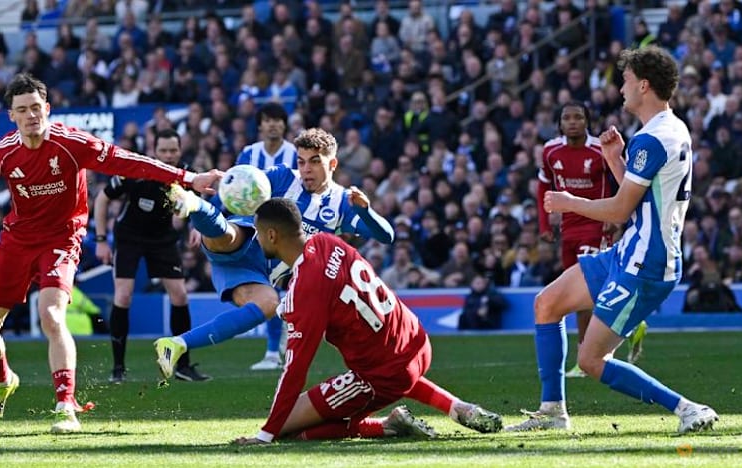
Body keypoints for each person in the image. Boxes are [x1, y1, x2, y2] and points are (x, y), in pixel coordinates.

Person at [0, 73, 221, 434]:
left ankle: (64, 406)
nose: (30, 115)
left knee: (51, 315)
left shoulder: (73, 143)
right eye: (22, 110)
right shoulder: (1, 153)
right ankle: (4, 380)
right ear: (12, 115)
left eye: (36, 107)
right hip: (17, 242)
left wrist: (189, 178)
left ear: (47, 109)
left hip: (61, 238)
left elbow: (130, 162)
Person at [506, 46, 718, 434]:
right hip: (630, 251)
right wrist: (615, 160)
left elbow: (620, 211)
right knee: (547, 304)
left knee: (591, 360)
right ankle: (552, 412)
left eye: (625, 80)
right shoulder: (670, 129)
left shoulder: (652, 139)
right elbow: (641, 200)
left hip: (646, 263)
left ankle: (687, 408)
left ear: (643, 85)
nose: (620, 88)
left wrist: (569, 202)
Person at [229, 198, 502, 444]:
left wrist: (266, 435)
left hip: (383, 374)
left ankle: (386, 426)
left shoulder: (307, 290)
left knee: (286, 427)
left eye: (258, 234)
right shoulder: (328, 242)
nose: (257, 241)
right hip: (416, 343)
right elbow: (327, 287)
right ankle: (457, 407)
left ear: (272, 235)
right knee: (394, 368)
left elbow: (296, 369)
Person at [154, 128, 394, 378]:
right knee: (231, 235)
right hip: (245, 239)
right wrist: (204, 215)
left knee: (269, 304)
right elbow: (241, 187)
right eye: (301, 162)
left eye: (314, 162)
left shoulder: (342, 203)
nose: (306, 169)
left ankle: (176, 344)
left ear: (332, 164)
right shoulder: (283, 177)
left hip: (255, 274)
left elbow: (386, 235)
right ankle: (195, 205)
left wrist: (365, 211)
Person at [537, 101, 649, 378]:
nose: (572, 122)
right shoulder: (550, 151)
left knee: (586, 293)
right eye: (567, 118)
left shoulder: (599, 150)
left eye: (578, 117)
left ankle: (585, 356)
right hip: (568, 228)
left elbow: (620, 183)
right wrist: (544, 223)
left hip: (596, 225)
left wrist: (616, 216)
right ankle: (630, 322)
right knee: (583, 291)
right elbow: (544, 185)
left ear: (587, 121)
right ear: (559, 123)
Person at [94, 128, 209, 384]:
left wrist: (197, 228)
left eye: (173, 150)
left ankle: (183, 366)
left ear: (180, 150)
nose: (169, 156)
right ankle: (118, 368)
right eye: (163, 151)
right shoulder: (136, 170)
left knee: (180, 295)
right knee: (123, 295)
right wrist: (101, 240)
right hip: (129, 238)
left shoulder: (187, 175)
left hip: (162, 238)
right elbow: (102, 199)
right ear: (154, 151)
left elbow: (200, 207)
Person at [235, 102, 299, 371]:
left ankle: (285, 347)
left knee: (292, 291)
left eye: (278, 120)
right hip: (258, 233)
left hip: (292, 232)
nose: (273, 124)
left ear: (284, 125)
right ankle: (274, 352)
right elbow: (234, 189)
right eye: (268, 120)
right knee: (272, 291)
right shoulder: (248, 154)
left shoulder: (295, 154)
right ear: (260, 125)